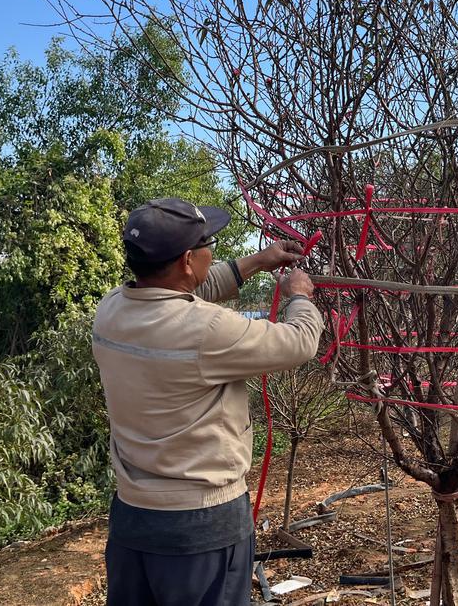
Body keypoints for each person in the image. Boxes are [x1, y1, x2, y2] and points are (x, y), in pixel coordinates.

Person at [93, 197, 323, 606]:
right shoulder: (207, 330)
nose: (211, 251)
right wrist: (299, 296)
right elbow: (298, 342)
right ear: (186, 259)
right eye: (207, 245)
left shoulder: (111, 309)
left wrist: (257, 261)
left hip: (133, 517)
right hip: (200, 524)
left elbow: (183, 289)